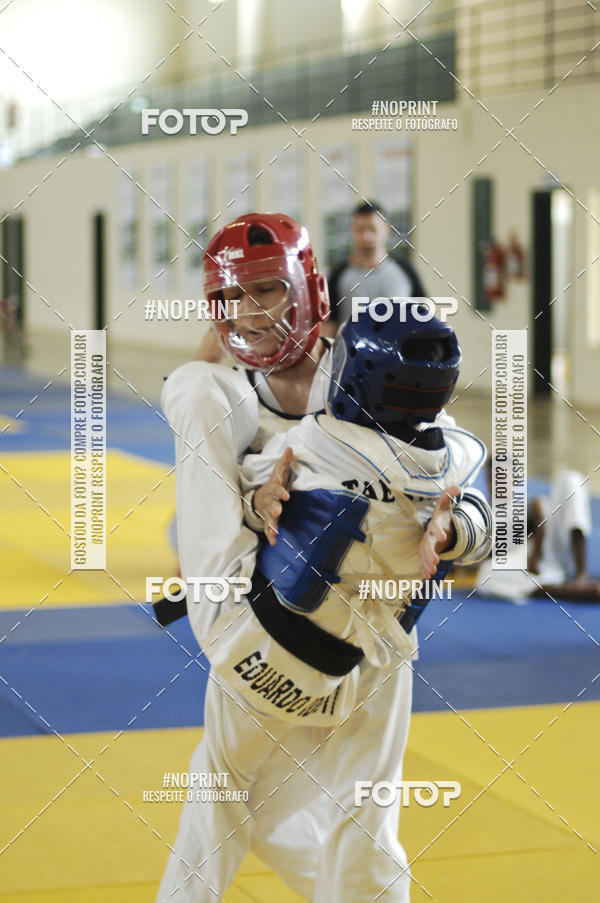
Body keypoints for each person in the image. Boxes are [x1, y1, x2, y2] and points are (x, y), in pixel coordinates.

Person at [155, 213, 491, 902]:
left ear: (306, 287)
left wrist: (455, 530)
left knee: (354, 825)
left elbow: (457, 466)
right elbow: (219, 460)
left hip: (372, 639)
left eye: (266, 291)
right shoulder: (222, 398)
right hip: (264, 616)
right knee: (245, 805)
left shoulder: (371, 366)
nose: (247, 315)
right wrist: (257, 497)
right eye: (230, 299)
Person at [478, 465, 599, 602]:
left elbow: (539, 511)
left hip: (554, 545)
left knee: (569, 478)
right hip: (536, 566)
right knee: (487, 573)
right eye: (491, 479)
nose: (496, 484)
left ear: (515, 479)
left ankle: (581, 573)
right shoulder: (483, 512)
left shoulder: (527, 502)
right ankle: (571, 591)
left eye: (501, 478)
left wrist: (536, 553)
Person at [323, 200, 426, 335]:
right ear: (352, 230)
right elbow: (329, 327)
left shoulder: (405, 270)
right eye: (361, 230)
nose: (367, 236)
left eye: (373, 229)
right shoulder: (338, 274)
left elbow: (425, 315)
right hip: (351, 354)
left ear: (386, 229)